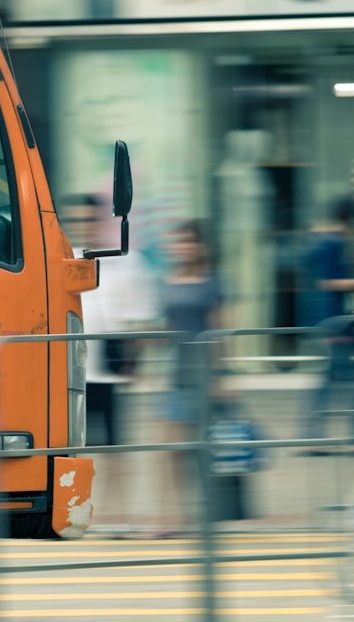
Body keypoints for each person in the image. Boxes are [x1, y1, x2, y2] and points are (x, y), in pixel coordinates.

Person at [62, 194, 158, 529]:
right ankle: (75, 514)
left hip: (110, 373)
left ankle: (121, 515)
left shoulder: (125, 262)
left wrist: (136, 361)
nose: (84, 225)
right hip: (71, 372)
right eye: (77, 219)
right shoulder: (65, 258)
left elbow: (142, 316)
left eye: (89, 218)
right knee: (71, 450)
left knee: (116, 449)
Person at [156, 220, 226, 534]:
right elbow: (162, 328)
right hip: (176, 374)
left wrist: (223, 375)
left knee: (204, 450)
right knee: (171, 451)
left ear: (200, 246)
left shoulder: (212, 283)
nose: (183, 247)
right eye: (178, 241)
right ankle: (176, 516)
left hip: (205, 375)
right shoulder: (166, 281)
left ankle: (207, 515)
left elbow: (221, 331)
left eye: (189, 241)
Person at [299, 195, 354, 453]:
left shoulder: (319, 240)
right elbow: (329, 283)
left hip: (328, 321)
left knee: (333, 381)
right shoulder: (334, 243)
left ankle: (314, 436)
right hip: (335, 323)